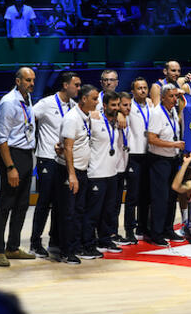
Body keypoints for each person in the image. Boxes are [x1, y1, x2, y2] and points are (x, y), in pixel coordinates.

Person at [30, 71, 81, 259]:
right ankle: (35, 243)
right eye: (76, 85)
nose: (78, 88)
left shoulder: (74, 106)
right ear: (65, 85)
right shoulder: (46, 103)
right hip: (47, 158)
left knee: (61, 203)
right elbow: (28, 119)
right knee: (44, 202)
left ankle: (55, 240)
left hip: (63, 160)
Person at [0, 68, 37, 267]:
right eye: (28, 80)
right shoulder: (9, 102)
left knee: (22, 205)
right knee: (5, 205)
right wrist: (10, 167)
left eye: (33, 80)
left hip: (26, 155)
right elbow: (1, 138)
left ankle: (13, 247)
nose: (32, 83)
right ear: (18, 81)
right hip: (13, 155)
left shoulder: (27, 99)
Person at [56, 84, 99, 265]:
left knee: (79, 211)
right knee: (68, 212)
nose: (97, 102)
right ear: (84, 99)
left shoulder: (86, 116)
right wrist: (71, 175)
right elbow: (67, 148)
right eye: (94, 99)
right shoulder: (72, 118)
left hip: (82, 170)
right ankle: (65, 251)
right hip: (69, 171)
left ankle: (75, 246)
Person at [82, 91, 122, 260]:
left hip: (112, 172)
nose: (116, 108)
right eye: (113, 105)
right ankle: (87, 245)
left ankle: (104, 240)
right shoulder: (94, 120)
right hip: (96, 173)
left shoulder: (116, 122)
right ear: (104, 106)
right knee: (93, 212)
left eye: (118, 105)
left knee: (108, 211)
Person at [147, 84, 185, 246]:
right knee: (160, 198)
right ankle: (156, 233)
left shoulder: (173, 111)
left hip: (173, 159)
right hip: (159, 160)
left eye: (176, 96)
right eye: (171, 96)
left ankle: (168, 229)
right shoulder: (157, 113)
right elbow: (151, 139)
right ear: (162, 98)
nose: (175, 99)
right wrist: (174, 145)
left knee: (171, 196)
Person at [126, 78, 154, 242]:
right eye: (139, 88)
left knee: (146, 194)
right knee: (132, 196)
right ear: (133, 91)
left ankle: (143, 227)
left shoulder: (151, 105)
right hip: (134, 155)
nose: (143, 90)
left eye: (145, 87)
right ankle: (129, 230)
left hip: (148, 154)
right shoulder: (129, 106)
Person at [111, 92, 132, 245]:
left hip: (122, 166)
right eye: (125, 105)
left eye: (130, 105)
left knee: (117, 203)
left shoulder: (127, 118)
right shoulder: (113, 119)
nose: (128, 108)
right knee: (110, 204)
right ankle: (107, 233)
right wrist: (118, 114)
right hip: (111, 168)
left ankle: (113, 232)